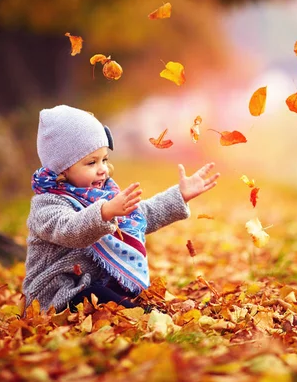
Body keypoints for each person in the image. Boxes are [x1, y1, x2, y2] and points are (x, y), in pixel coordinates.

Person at [22, 104, 220, 312]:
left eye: (104, 160)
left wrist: (180, 195)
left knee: (111, 292)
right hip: (55, 293)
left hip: (92, 280)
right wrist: (105, 212)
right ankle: (140, 314)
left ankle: (136, 308)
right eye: (91, 163)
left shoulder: (103, 194)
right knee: (95, 296)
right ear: (63, 168)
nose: (103, 170)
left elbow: (142, 215)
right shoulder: (47, 204)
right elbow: (69, 229)